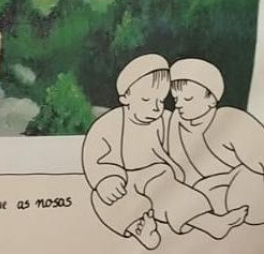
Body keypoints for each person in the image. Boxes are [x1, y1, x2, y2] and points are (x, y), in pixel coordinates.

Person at [82, 54, 245, 250]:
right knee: (102, 200)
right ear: (125, 97)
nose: (155, 108)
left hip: (157, 177)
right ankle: (139, 228)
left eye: (160, 101)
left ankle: (210, 223)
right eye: (146, 99)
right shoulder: (109, 123)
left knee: (174, 195)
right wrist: (106, 179)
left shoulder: (166, 120)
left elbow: (184, 139)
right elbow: (94, 156)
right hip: (122, 182)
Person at [168, 58, 264, 225]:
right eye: (176, 99)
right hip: (213, 191)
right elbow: (180, 169)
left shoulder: (231, 119)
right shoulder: (177, 123)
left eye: (188, 98)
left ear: (211, 99)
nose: (180, 105)